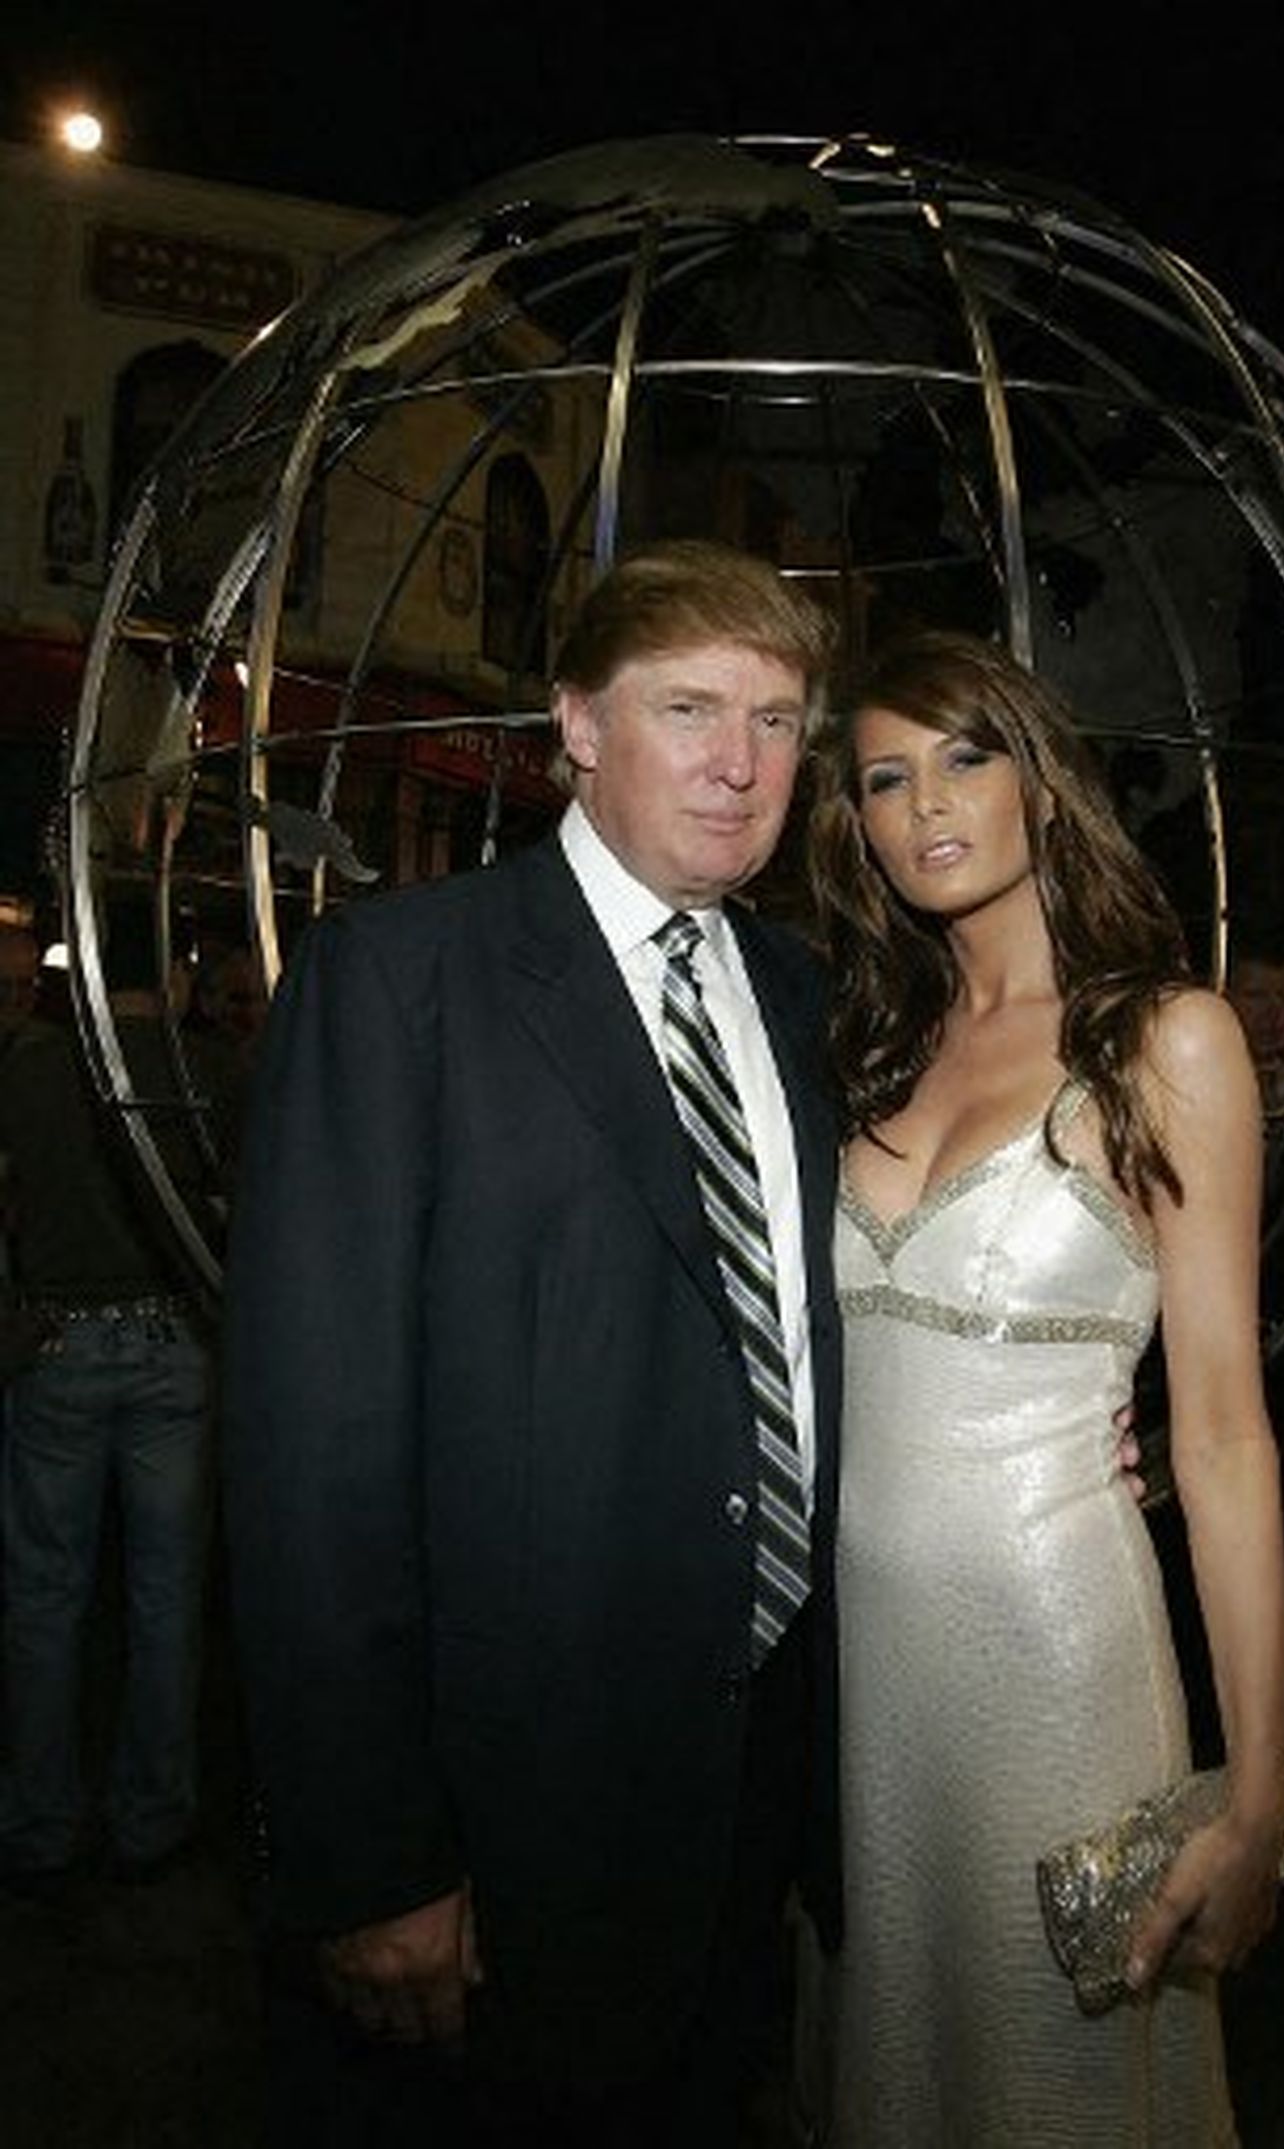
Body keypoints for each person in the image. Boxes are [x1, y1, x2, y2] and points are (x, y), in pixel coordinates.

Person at [221, 541, 845, 2145]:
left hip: (752, 1793)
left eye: (778, 721)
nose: (739, 764)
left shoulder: (800, 994)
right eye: (688, 709)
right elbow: (312, 1457)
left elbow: (789, 1328)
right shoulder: (400, 981)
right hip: (503, 1815)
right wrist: (371, 1853)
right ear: (576, 723)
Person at [806, 630, 1284, 2144]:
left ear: (1041, 779)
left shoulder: (1165, 1040)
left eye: (966, 757)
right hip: (872, 1667)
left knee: (1060, 2087)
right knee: (908, 2061)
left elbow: (1223, 1435)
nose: (927, 804)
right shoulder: (873, 1041)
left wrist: (1257, 1786)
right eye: (886, 778)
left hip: (1058, 1649)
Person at [0, 901, 212, 1892]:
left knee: (45, 1595)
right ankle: (151, 1816)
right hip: (176, 1341)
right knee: (167, 1594)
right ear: (170, 970)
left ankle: (41, 1821)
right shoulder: (202, 1066)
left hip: (59, 1340)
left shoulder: (32, 1066)